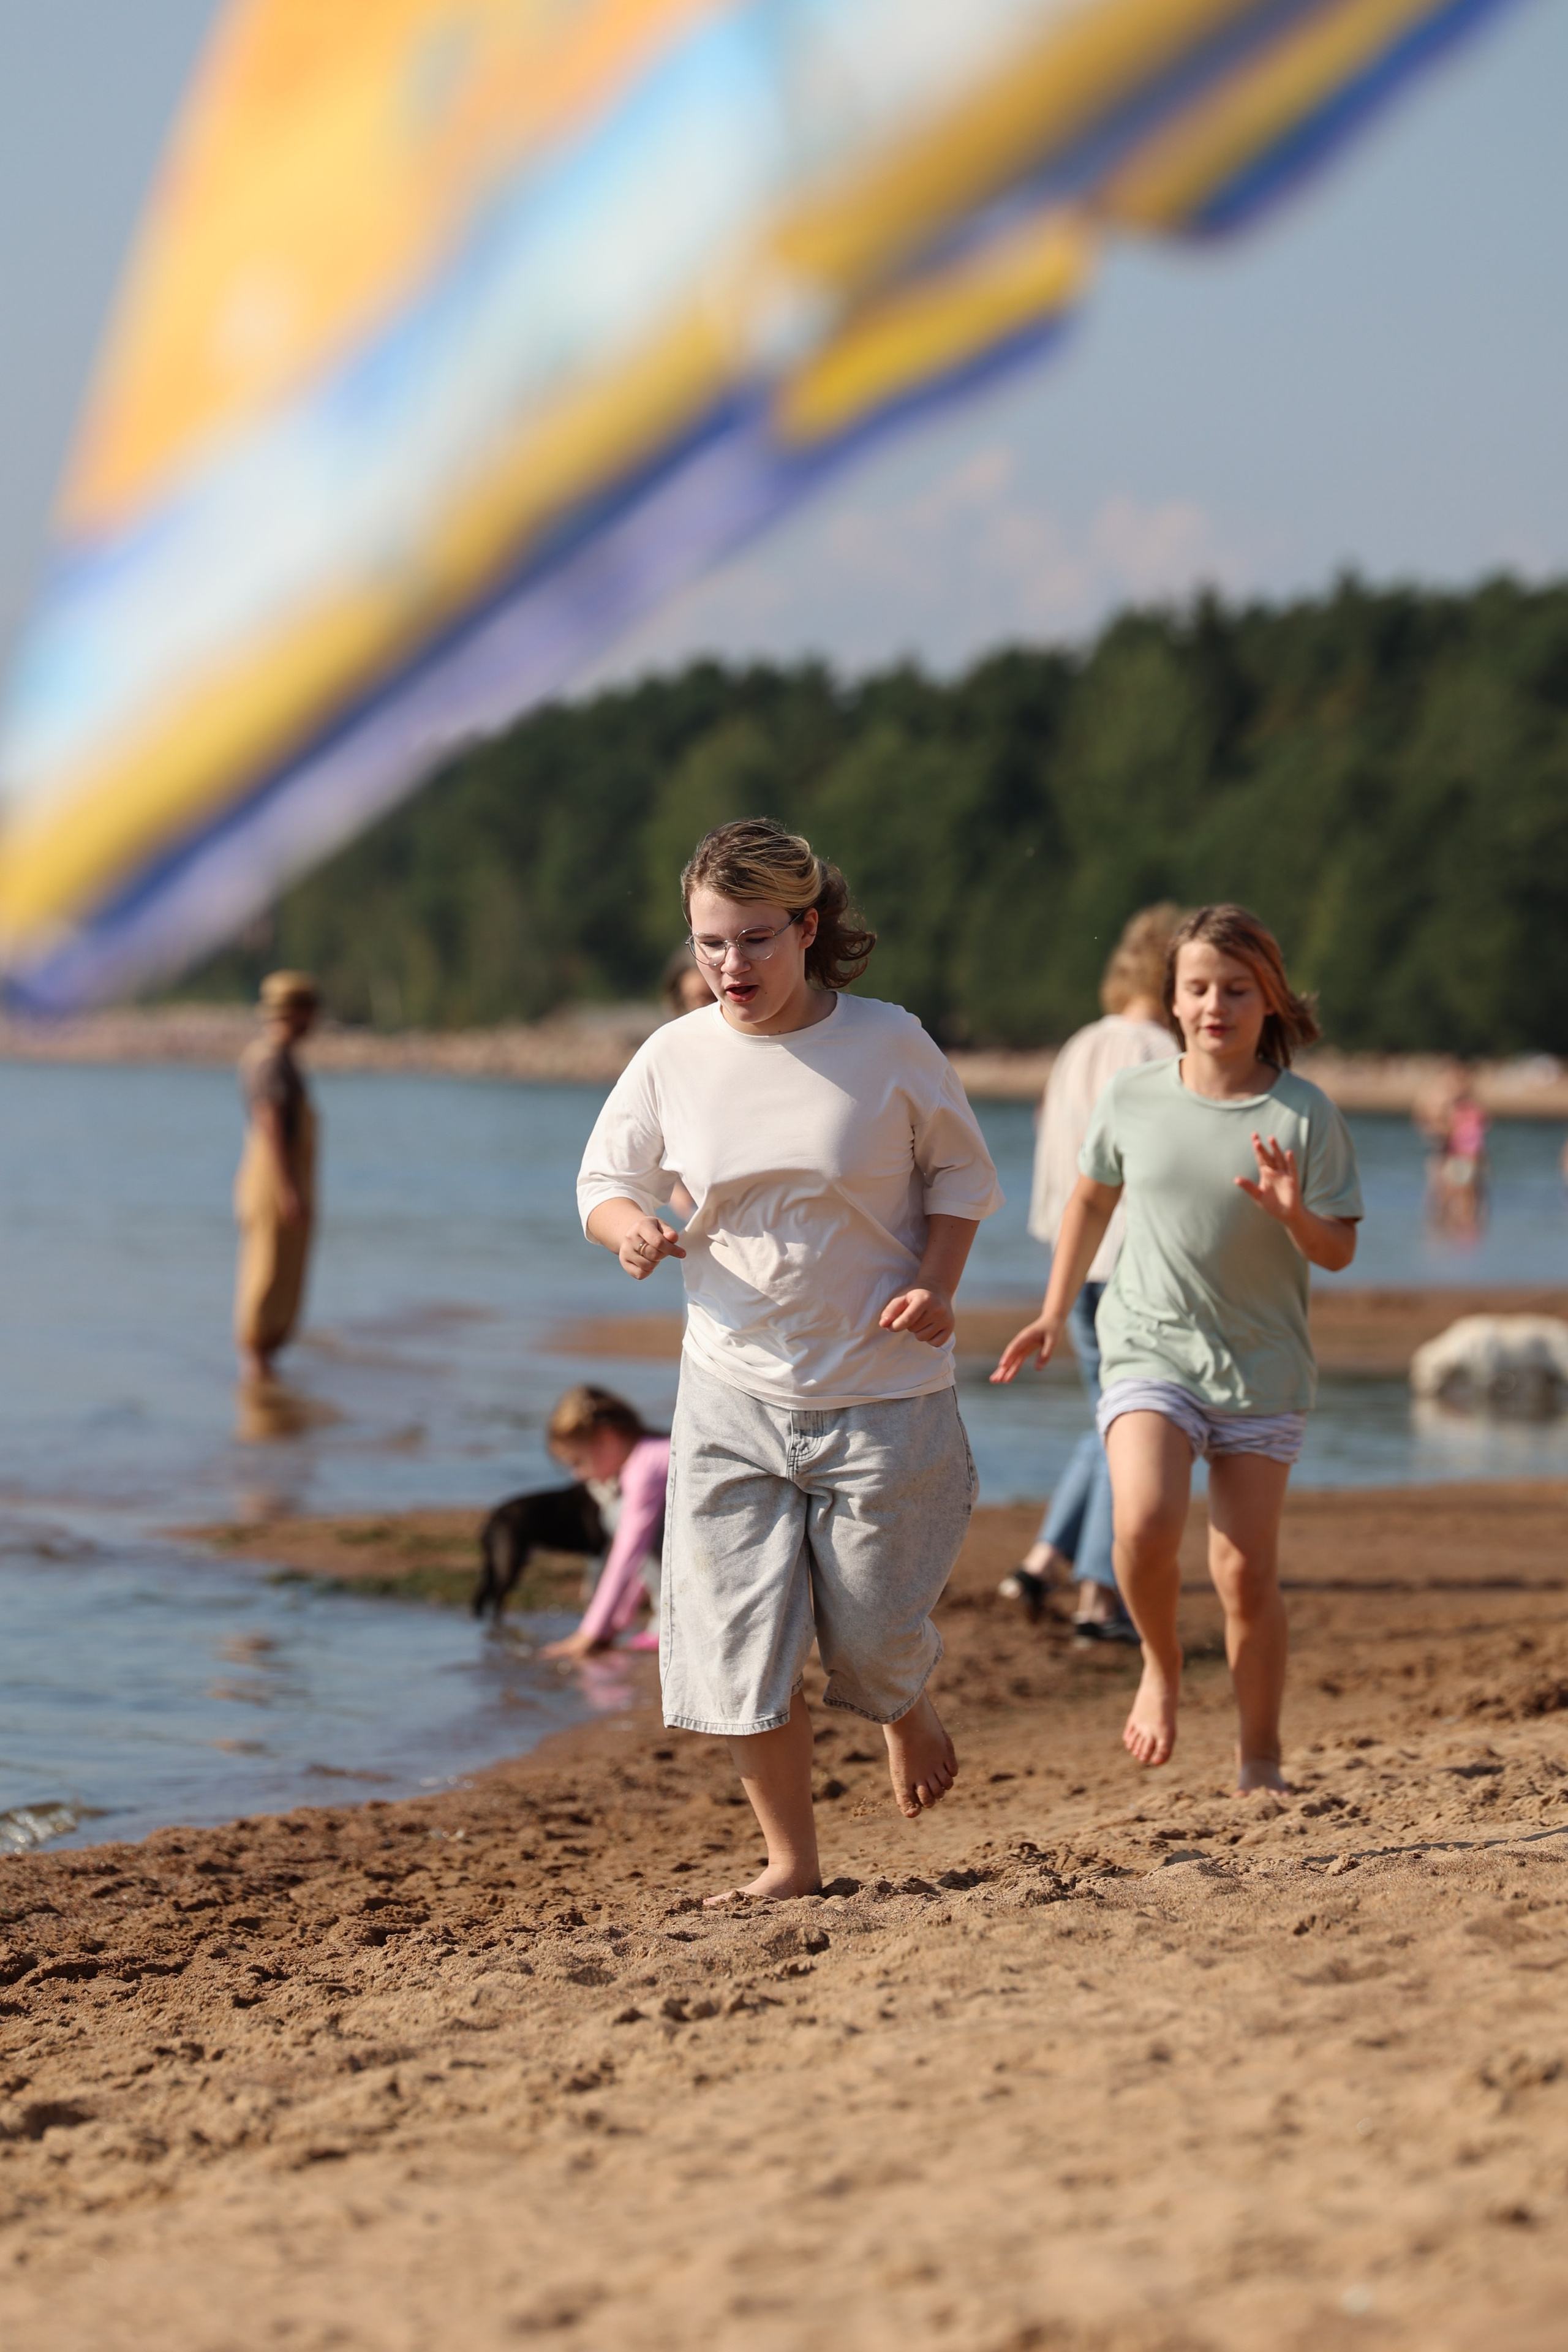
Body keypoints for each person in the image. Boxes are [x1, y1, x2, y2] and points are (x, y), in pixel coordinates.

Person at [577, 816, 1002, 1902]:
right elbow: (603, 1182)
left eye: (758, 940)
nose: (733, 967)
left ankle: (902, 1700)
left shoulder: (890, 1044)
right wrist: (628, 1227)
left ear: (810, 929)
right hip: (729, 1386)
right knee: (738, 1645)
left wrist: (939, 1286)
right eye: (713, 943)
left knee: (866, 1636)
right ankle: (792, 1864)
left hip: (882, 1391)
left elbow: (961, 1179)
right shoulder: (675, 1054)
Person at [992, 905, 1362, 1793]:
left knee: (1243, 1572)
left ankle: (1260, 1757)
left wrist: (1292, 1214)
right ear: (1171, 998)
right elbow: (1087, 1203)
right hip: (1147, 1340)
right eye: (1197, 989)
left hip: (1262, 1364)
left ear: (1269, 998)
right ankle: (1160, 1666)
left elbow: (1339, 1248)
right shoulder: (1134, 1095)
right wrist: (1050, 1312)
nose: (1215, 1007)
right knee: (1144, 1523)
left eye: (1236, 990)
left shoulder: (1303, 1114)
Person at [1001, 905, 1182, 1642]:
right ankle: (1100, 1597)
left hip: (1075, 1264)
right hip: (1139, 1266)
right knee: (1132, 1429)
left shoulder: (1080, 1045)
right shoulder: (1161, 1052)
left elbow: (1057, 1161)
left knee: (1113, 1416)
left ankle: (1043, 1563)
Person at [535, 1387, 670, 1660]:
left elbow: (629, 1553)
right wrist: (615, 1624)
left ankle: (670, 1629)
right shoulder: (654, 1450)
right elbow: (643, 1558)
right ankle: (664, 1626)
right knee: (617, 1513)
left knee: (617, 1514)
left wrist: (590, 1633)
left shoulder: (645, 1469)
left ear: (607, 1439)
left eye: (577, 1461)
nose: (577, 1475)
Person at [234, 971, 320, 1384]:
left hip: (277, 1177)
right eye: (309, 1013)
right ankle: (255, 1366)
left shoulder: (279, 1057)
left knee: (281, 1271)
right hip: (271, 1179)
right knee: (265, 1272)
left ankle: (264, 1366)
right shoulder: (270, 1060)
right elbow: (269, 1123)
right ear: (296, 1013)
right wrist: (289, 1189)